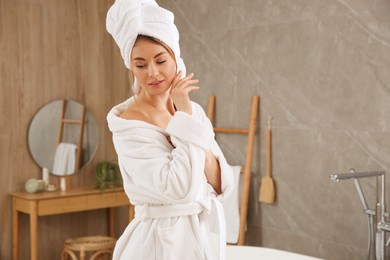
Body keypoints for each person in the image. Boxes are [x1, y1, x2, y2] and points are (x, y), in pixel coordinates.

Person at [106, 0, 234, 259]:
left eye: (161, 60)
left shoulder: (192, 111)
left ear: (176, 57)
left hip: (198, 239)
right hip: (157, 245)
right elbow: (179, 188)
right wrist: (187, 125)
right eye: (140, 65)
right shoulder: (130, 124)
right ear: (131, 67)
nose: (152, 73)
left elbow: (222, 183)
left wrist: (186, 127)